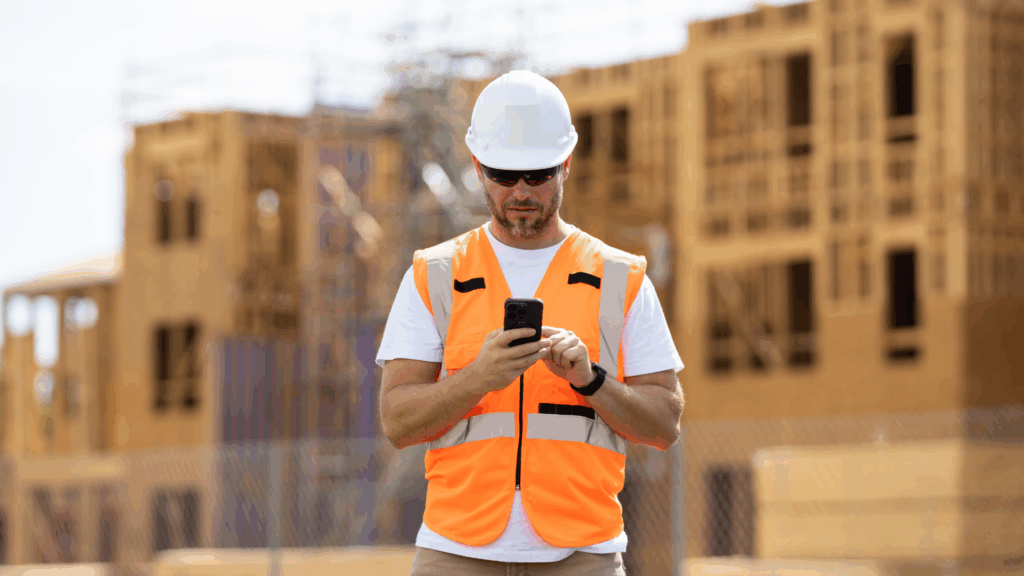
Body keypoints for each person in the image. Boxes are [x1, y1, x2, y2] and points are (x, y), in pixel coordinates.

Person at [376, 70, 684, 576]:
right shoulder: (434, 275)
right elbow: (397, 421)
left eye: (537, 175)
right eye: (503, 175)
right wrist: (480, 376)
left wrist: (592, 381)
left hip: (583, 554)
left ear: (565, 165)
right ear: (477, 167)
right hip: (456, 550)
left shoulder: (620, 279)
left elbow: (665, 423)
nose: (520, 192)